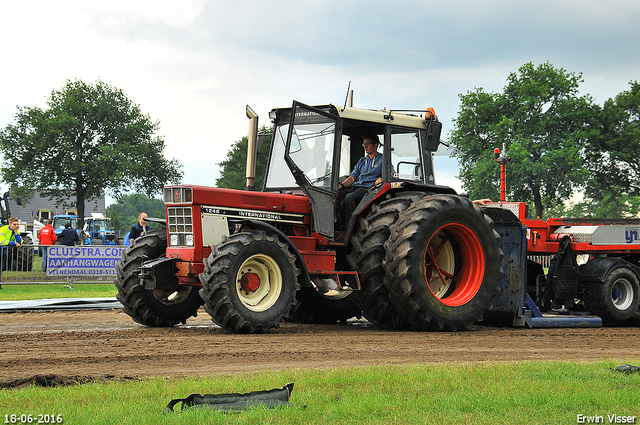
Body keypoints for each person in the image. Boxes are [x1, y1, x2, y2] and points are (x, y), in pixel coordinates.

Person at [337, 134, 384, 223]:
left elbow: (390, 174)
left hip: (369, 189)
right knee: (335, 195)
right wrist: (342, 185)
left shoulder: (382, 160)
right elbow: (352, 177)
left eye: (368, 144)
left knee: (349, 198)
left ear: (375, 145)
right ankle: (335, 224)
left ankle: (350, 226)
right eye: (364, 144)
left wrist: (382, 178)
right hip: (356, 187)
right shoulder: (362, 161)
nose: (365, 146)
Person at [0, 217, 23, 288]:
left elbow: (20, 241)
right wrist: (13, 243)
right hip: (1, 249)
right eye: (14, 224)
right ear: (10, 224)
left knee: (1, 268)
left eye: (17, 224)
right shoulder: (3, 229)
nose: (16, 226)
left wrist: (16, 233)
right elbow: (1, 241)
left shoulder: (15, 231)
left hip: (2, 251)